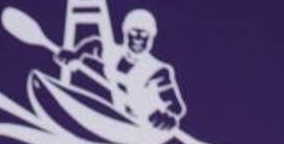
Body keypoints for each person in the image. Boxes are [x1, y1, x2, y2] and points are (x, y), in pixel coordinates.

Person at [55, 8, 186, 130]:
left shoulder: (158, 70)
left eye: (144, 34)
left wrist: (168, 118)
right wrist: (74, 54)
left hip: (140, 124)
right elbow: (94, 44)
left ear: (151, 37)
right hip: (110, 115)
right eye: (133, 33)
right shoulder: (113, 53)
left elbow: (175, 107)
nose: (138, 39)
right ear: (126, 33)